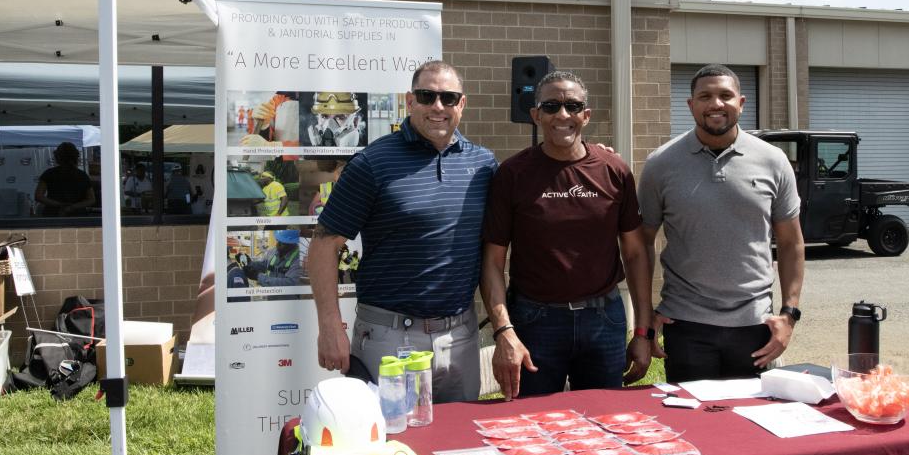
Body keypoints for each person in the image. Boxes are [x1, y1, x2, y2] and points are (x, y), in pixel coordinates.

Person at [308, 61, 497, 403]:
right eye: (427, 96)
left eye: (448, 98)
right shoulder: (372, 164)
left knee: (458, 443)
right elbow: (324, 245)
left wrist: (586, 155)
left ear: (462, 104)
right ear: (410, 102)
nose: (438, 106)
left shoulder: (483, 165)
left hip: (461, 338)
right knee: (392, 447)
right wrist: (330, 326)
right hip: (389, 338)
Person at [480, 71, 656, 399]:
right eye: (551, 106)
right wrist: (504, 330)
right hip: (535, 321)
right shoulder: (512, 174)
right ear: (536, 115)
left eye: (573, 106)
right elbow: (492, 261)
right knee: (531, 426)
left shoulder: (614, 170)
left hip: (603, 319)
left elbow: (634, 254)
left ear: (586, 116)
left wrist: (643, 331)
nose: (563, 115)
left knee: (606, 425)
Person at [637, 64, 806, 383]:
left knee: (749, 426)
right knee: (691, 426)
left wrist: (789, 315)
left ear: (741, 103)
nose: (715, 103)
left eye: (725, 95)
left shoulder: (772, 161)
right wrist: (645, 314)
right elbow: (641, 242)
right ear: (691, 105)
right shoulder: (661, 164)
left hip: (754, 326)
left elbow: (791, 243)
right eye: (705, 96)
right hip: (685, 325)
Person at [35, 141, 95, 217]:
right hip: (77, 216)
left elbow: (38, 196)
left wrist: (60, 205)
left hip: (53, 215)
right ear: (76, 157)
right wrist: (73, 207)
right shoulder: (82, 175)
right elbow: (91, 199)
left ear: (57, 157)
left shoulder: (49, 173)